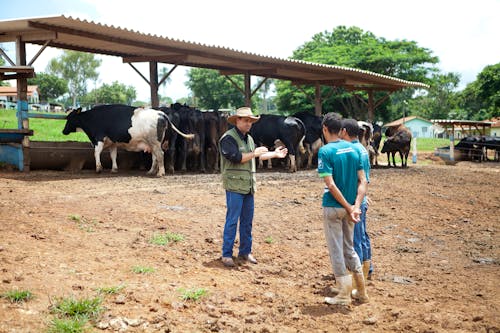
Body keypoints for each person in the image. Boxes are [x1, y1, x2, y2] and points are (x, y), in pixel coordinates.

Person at [219, 107, 288, 267]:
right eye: (245, 120)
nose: (248, 123)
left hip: (248, 185)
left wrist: (274, 154)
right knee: (232, 220)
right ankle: (226, 254)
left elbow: (256, 155)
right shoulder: (228, 139)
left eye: (250, 121)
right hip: (235, 185)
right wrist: (255, 153)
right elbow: (237, 157)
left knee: (247, 221)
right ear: (237, 121)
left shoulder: (249, 139)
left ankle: (245, 251)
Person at [317, 112, 369, 305]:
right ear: (341, 130)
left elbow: (330, 185)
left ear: (324, 129)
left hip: (333, 207)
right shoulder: (355, 149)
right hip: (352, 209)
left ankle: (343, 294)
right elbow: (363, 181)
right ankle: (361, 291)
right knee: (349, 247)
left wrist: (346, 206)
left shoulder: (325, 151)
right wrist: (355, 206)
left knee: (336, 249)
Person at [340, 119, 372, 291]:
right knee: (363, 235)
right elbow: (366, 178)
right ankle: (368, 270)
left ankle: (357, 279)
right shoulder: (362, 149)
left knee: (355, 239)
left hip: (354, 200)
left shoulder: (351, 150)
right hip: (362, 198)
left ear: (344, 131)